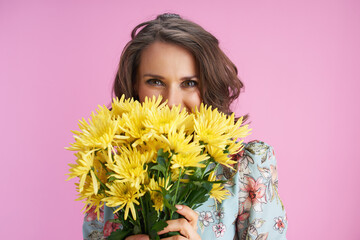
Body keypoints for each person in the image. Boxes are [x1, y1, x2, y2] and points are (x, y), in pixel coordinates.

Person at [83, 13, 287, 240]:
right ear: (134, 86)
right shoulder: (107, 169)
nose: (171, 102)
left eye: (189, 83)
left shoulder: (247, 169)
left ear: (209, 87)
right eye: (156, 82)